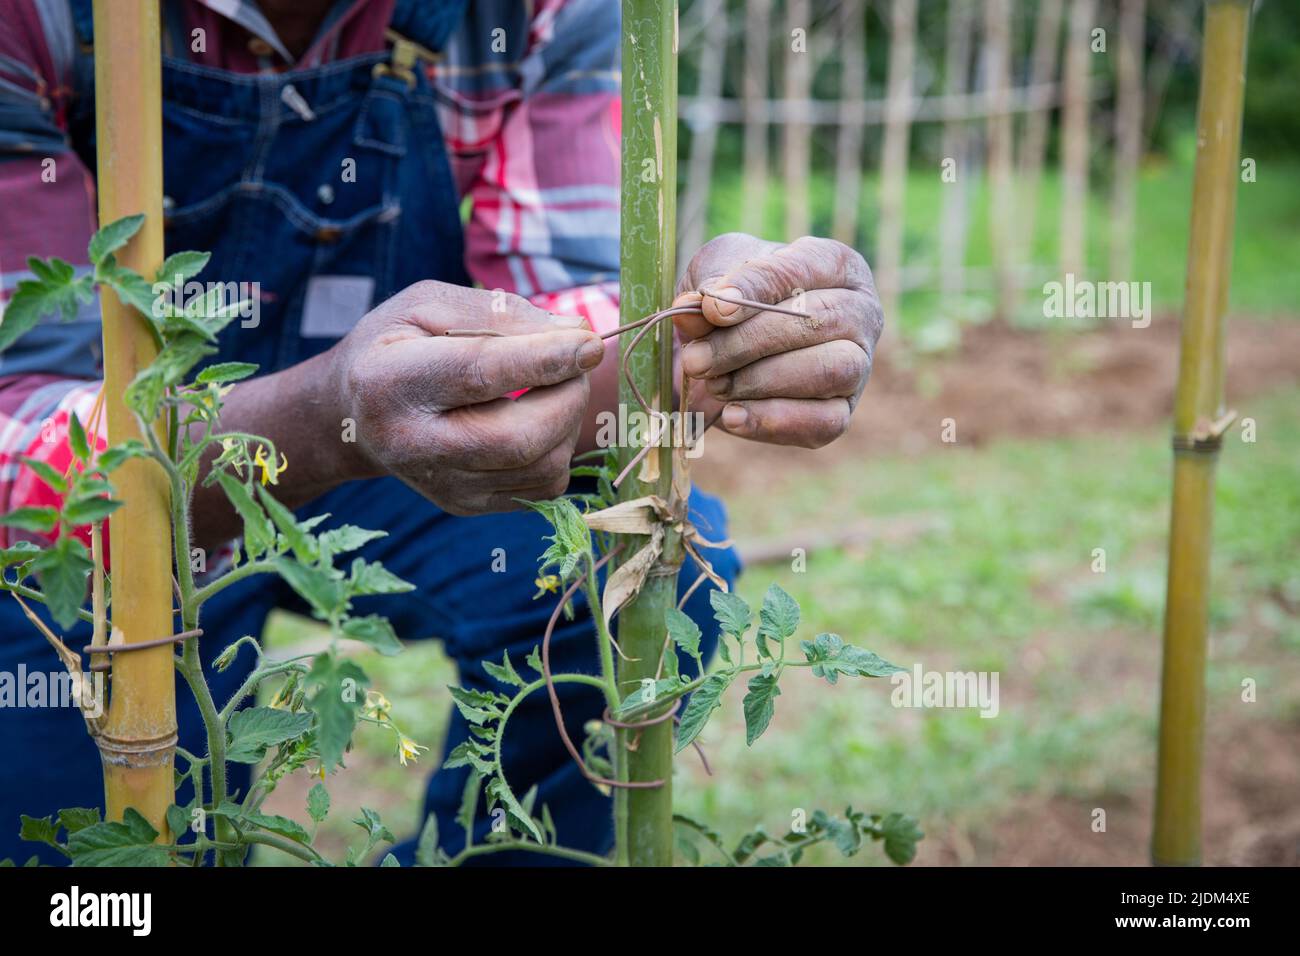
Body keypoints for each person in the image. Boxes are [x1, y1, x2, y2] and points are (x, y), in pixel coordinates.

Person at [0, 0, 883, 865]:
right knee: (111, 847)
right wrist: (325, 419)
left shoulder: (535, 10)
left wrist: (706, 341)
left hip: (408, 445)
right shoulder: (37, 18)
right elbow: (20, 418)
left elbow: (568, 305)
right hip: (120, 500)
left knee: (637, 569)